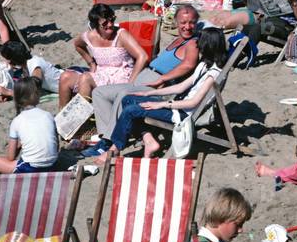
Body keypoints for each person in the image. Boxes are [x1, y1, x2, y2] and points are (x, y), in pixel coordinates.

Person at [95, 28, 227, 160]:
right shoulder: (204, 65)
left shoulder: (214, 74)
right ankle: (149, 140)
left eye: (201, 43)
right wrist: (150, 94)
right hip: (177, 106)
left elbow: (193, 102)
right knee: (128, 99)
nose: (198, 46)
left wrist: (161, 104)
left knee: (131, 111)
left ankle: (114, 149)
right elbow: (181, 87)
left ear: (208, 46)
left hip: (183, 114)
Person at [86, 5, 200, 156]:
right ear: (176, 23)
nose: (187, 27)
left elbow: (188, 64)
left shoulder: (192, 43)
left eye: (191, 22)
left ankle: (108, 142)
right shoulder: (178, 40)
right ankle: (107, 135)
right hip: (144, 77)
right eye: (183, 23)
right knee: (99, 93)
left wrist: (164, 78)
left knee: (124, 95)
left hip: (157, 84)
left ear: (197, 23)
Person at [71, 3, 148, 106]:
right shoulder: (89, 36)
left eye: (112, 20)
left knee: (85, 77)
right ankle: (60, 119)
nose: (110, 24)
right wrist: (91, 64)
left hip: (121, 77)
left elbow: (143, 56)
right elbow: (78, 45)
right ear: (95, 25)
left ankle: (77, 118)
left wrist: (130, 84)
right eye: (105, 23)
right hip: (102, 74)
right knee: (65, 77)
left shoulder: (121, 35)